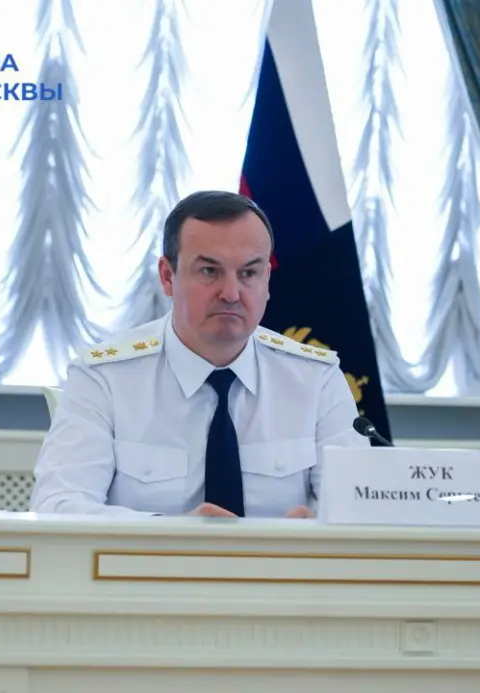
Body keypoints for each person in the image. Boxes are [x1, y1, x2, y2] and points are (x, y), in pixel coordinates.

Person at [29, 190, 370, 518]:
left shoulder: (316, 379)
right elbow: (57, 504)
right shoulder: (104, 379)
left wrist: (313, 532)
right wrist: (172, 535)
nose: (231, 293)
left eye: (248, 273)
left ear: (267, 279)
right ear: (168, 276)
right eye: (210, 271)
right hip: (153, 561)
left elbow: (358, 508)